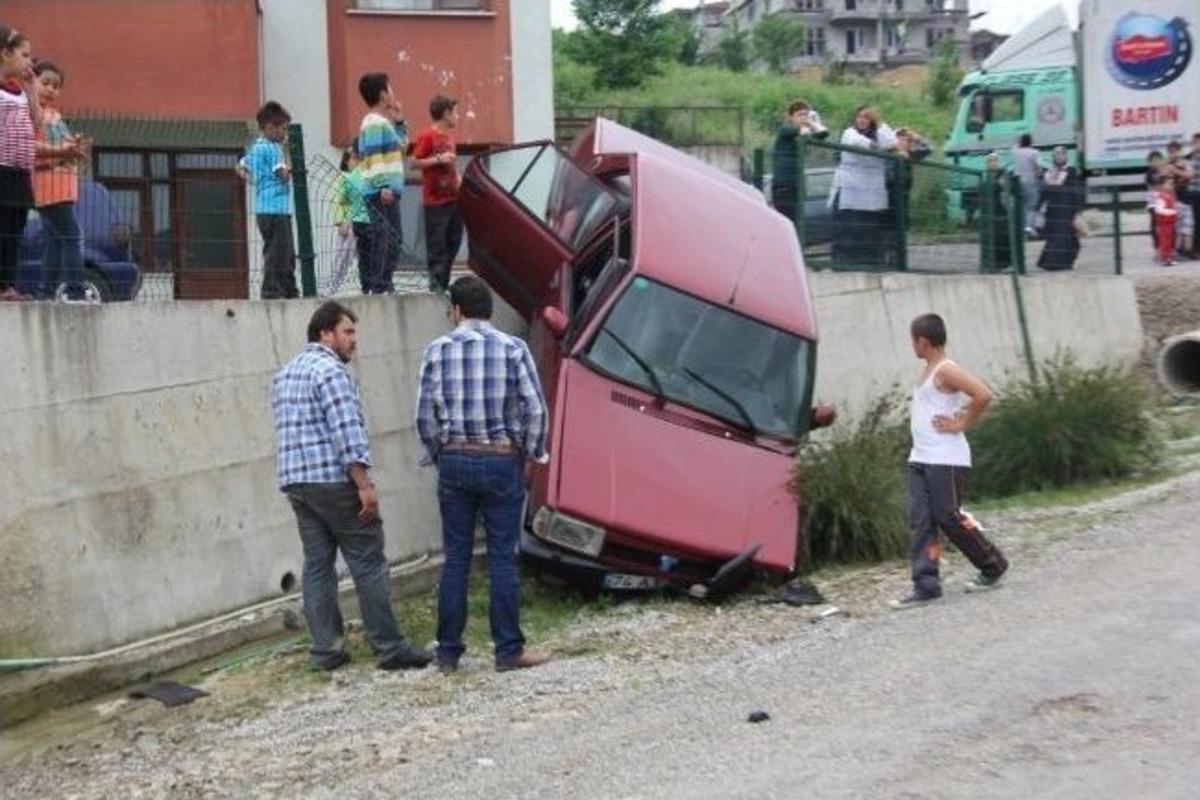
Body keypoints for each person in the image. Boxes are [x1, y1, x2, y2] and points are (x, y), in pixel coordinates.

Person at [271, 301, 432, 672]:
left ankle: (326, 649)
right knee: (368, 561)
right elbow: (346, 431)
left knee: (317, 566)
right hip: (334, 481)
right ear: (325, 333)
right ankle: (390, 647)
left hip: (297, 483)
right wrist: (364, 484)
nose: (353, 340)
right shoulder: (330, 372)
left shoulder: (286, 373)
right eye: (348, 332)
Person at [415, 276, 551, 674]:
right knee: (502, 558)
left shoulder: (436, 351)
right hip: (501, 458)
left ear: (456, 310)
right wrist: (532, 451)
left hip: (455, 458)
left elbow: (424, 416)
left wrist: (439, 453)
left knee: (455, 557)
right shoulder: (514, 348)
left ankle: (448, 654)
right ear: (487, 309)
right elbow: (536, 410)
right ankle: (508, 650)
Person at [891, 313, 1009, 610]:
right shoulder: (929, 369)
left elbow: (982, 395)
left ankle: (992, 564)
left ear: (923, 341)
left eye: (913, 340)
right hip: (920, 457)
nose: (912, 345)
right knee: (921, 522)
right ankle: (926, 585)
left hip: (946, 458)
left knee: (948, 516)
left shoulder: (946, 370)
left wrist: (961, 424)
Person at [31, 60, 91, 302]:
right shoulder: (33, 113)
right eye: (45, 83)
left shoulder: (54, 115)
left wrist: (75, 146)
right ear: (32, 82)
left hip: (64, 185)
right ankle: (75, 291)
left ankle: (46, 292)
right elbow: (32, 150)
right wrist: (62, 153)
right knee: (71, 237)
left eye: (56, 86)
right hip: (49, 185)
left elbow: (64, 146)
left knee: (55, 241)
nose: (50, 89)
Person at [237, 101, 297, 299]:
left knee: (278, 250)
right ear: (270, 128)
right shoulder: (273, 149)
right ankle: (274, 291)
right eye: (283, 128)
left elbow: (241, 167)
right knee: (281, 253)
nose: (285, 133)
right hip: (276, 210)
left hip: (265, 209)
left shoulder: (256, 147)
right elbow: (282, 174)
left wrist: (251, 178)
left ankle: (286, 289)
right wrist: (291, 169)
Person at [357, 72, 407, 295]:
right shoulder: (374, 123)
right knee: (385, 237)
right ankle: (379, 285)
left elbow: (402, 148)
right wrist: (382, 185)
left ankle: (383, 282)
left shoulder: (381, 123)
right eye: (391, 88)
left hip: (387, 191)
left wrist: (399, 122)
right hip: (381, 192)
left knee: (391, 237)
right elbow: (374, 156)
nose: (394, 93)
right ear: (383, 94)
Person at [0, 25, 40, 301]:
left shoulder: (20, 92)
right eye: (24, 55)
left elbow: (37, 123)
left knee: (15, 228)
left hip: (20, 170)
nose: (29, 61)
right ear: (5, 53)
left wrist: (32, 90)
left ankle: (7, 285)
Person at [831, 105, 896, 270]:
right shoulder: (849, 132)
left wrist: (879, 124)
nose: (862, 120)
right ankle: (843, 265)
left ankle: (870, 263)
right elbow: (859, 143)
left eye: (867, 117)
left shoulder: (879, 133)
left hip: (871, 195)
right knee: (848, 230)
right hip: (851, 191)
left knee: (869, 231)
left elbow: (891, 142)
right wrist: (876, 146)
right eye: (860, 116)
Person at [410, 94, 463, 294]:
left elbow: (453, 166)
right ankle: (436, 284)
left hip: (453, 198)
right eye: (455, 112)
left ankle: (445, 281)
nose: (457, 117)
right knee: (437, 245)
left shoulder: (449, 137)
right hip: (435, 202)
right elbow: (414, 162)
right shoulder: (427, 136)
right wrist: (438, 159)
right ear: (446, 114)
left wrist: (459, 181)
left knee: (454, 240)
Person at [770, 100, 828, 225]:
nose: (803, 118)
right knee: (786, 222)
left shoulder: (802, 132)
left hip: (796, 184)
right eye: (800, 115)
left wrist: (811, 121)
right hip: (783, 185)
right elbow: (804, 132)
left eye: (805, 114)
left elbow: (823, 133)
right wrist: (808, 125)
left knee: (797, 222)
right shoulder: (786, 129)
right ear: (791, 117)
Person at [331, 143, 373, 294]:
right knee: (342, 259)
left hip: (364, 221)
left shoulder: (366, 176)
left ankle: (368, 287)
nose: (355, 161)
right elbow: (337, 200)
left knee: (366, 258)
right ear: (347, 161)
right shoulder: (345, 177)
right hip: (350, 223)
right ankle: (332, 288)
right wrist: (341, 221)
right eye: (352, 158)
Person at [1036, 146, 1082, 271]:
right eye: (1057, 154)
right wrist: (1038, 208)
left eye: (1062, 154)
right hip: (1054, 211)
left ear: (1066, 156)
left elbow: (1075, 191)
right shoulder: (1049, 172)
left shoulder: (1071, 171)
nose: (1059, 156)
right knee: (1059, 238)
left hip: (1067, 209)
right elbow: (1045, 192)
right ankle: (1054, 264)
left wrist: (1077, 210)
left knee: (1071, 240)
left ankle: (1061, 263)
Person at [1165, 141, 1194, 260]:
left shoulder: (1185, 163)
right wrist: (1170, 170)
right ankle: (1176, 252)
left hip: (1186, 198)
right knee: (1176, 228)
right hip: (1174, 200)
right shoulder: (1167, 165)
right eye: (1171, 152)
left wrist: (1176, 171)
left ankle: (1188, 251)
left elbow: (1190, 175)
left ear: (1181, 151)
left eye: (1176, 151)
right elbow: (1165, 180)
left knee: (1188, 226)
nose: (1174, 154)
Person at [1011, 133, 1042, 235]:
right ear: (1031, 142)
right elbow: (1038, 166)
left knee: (1022, 205)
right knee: (1032, 205)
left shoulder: (1016, 152)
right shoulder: (1034, 152)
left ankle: (1022, 226)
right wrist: (1039, 176)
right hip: (1031, 181)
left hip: (1017, 181)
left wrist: (1018, 141)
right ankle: (1029, 226)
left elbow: (1014, 144)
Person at [1151, 174, 1178, 266]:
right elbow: (1159, 210)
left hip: (1170, 223)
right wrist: (1173, 211)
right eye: (1169, 184)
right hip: (1163, 224)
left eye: (1172, 184)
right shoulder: (1160, 197)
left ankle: (1168, 257)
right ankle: (1163, 258)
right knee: (1164, 241)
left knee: (1169, 241)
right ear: (1161, 185)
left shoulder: (1171, 196)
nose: (1171, 186)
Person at [1146, 150, 1165, 255]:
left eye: (1158, 160)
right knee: (1154, 225)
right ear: (1149, 163)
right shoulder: (1149, 174)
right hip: (1153, 203)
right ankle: (1157, 248)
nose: (1156, 163)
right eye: (1153, 161)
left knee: (1165, 225)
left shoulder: (1164, 171)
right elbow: (1155, 186)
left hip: (1164, 202)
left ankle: (1165, 247)